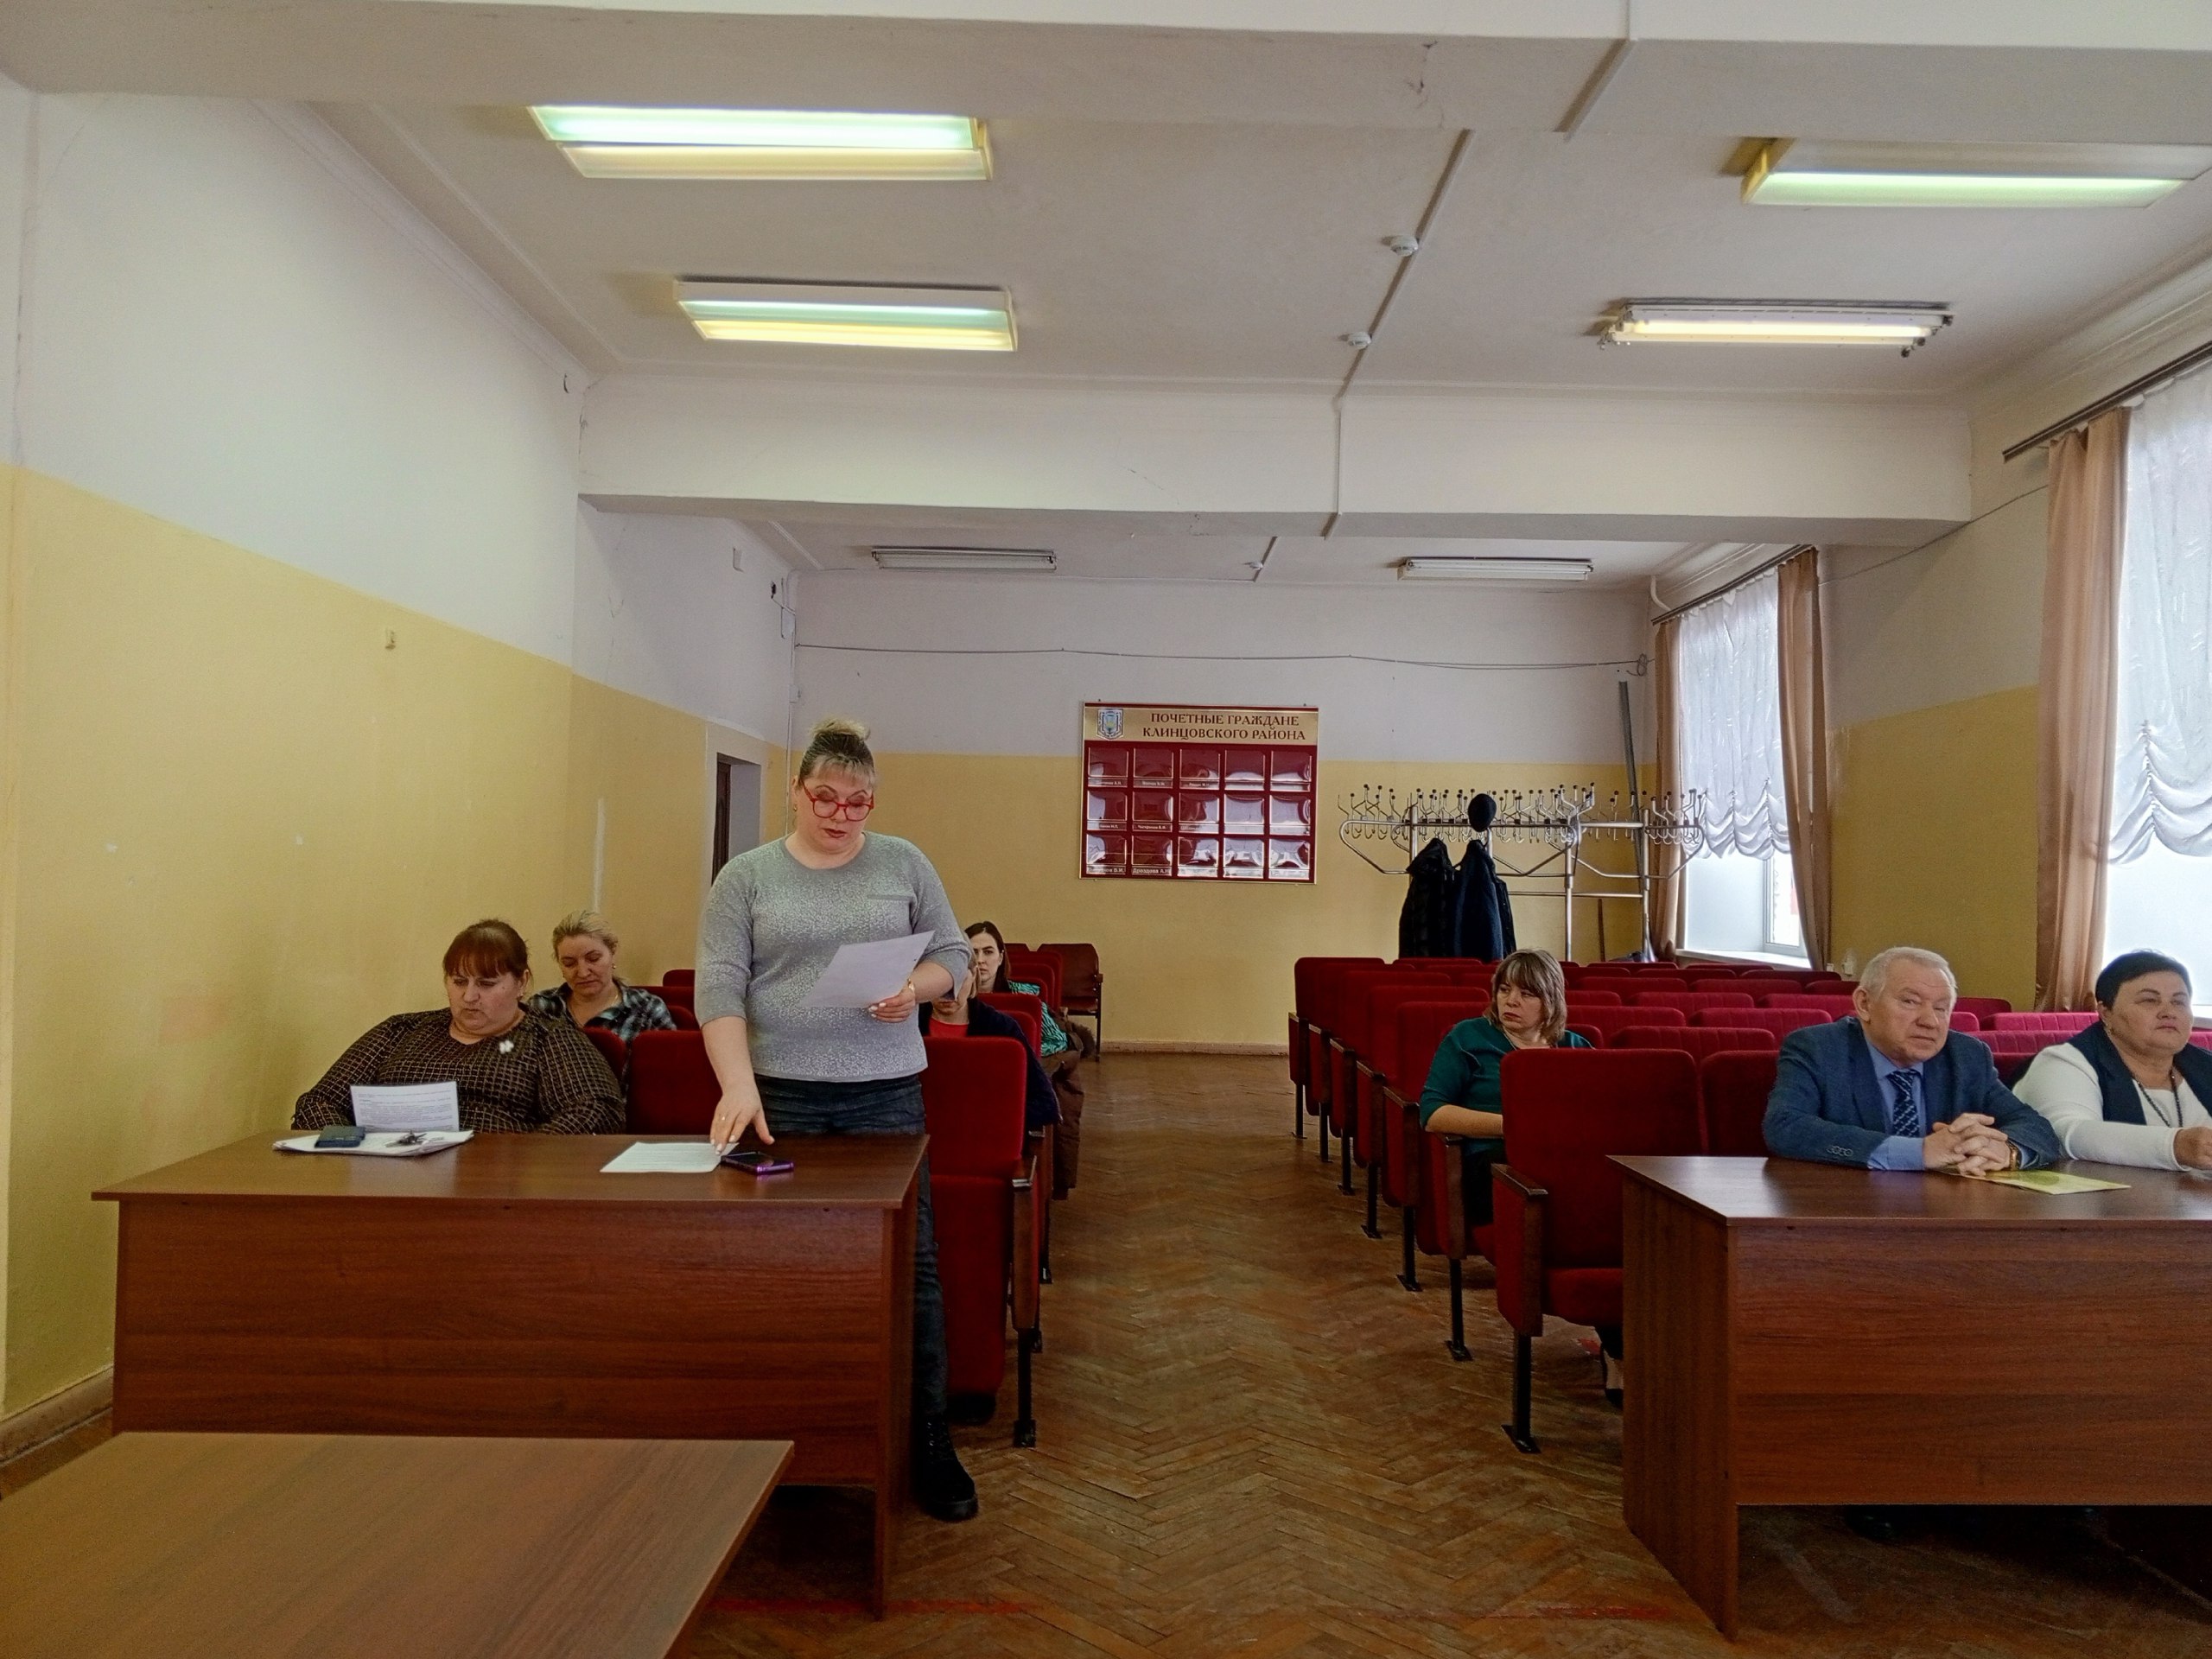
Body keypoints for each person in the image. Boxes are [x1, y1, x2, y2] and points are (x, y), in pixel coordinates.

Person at [695, 716, 979, 1523]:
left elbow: (954, 955)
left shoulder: (903, 862)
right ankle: (789, 1438)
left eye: (858, 803)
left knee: (910, 1264)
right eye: (825, 797)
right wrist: (737, 1086)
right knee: (782, 1266)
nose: (841, 815)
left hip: (884, 1094)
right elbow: (719, 984)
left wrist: (915, 989)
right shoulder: (747, 877)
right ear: (796, 791)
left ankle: (928, 1437)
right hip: (779, 1097)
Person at [1416, 949, 1602, 1384]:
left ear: (1551, 1000)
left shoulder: (1576, 1048)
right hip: (1492, 1166)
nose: (1510, 1001)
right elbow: (1433, 1113)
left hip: (1562, 1172)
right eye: (1504, 990)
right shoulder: (1468, 1038)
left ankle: (1619, 1346)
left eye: (1526, 994)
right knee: (1549, 1203)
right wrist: (1514, 1126)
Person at [292, 918, 624, 1134]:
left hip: (492, 1191)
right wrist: (353, 1147)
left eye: (487, 984)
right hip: (382, 1181)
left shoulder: (548, 1039)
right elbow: (318, 1102)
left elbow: (597, 1110)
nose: (469, 996)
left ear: (521, 982)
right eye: (459, 981)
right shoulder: (400, 1031)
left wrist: (518, 1158)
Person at [1764, 944, 2061, 1174]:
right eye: (1910, 1002)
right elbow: (1785, 1127)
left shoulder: (1966, 1056)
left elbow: (2034, 1126)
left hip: (1943, 1212)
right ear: (1864, 1004)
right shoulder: (1818, 1048)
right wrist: (1919, 1152)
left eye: (1942, 1008)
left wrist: (2006, 1151)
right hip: (1847, 1209)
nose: (1930, 1021)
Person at [2016, 950, 2212, 1170]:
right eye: (2149, 1000)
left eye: (2179, 1002)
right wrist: (2174, 1146)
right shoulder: (2064, 1063)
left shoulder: (2204, 1064)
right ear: (2106, 1012)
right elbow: (2062, 1134)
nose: (2169, 1012)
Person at [968, 920, 1087, 1194]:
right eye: (973, 952)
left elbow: (1057, 1041)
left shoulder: (1024, 996)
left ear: (1001, 957)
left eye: (988, 952)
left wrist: (1013, 1055)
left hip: (1017, 1080)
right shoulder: (951, 1002)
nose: (981, 960)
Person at [918, 959, 1061, 1132]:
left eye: (957, 978)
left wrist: (986, 1119)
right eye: (938, 980)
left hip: (986, 1135)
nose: (948, 992)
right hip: (919, 1135)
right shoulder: (905, 1028)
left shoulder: (1002, 1028)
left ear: (974, 975)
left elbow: (1045, 1103)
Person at [525, 909, 678, 1041]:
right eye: (569, 963)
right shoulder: (541, 1007)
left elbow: (670, 1064)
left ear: (613, 953)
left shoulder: (647, 1010)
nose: (583, 973)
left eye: (593, 959)